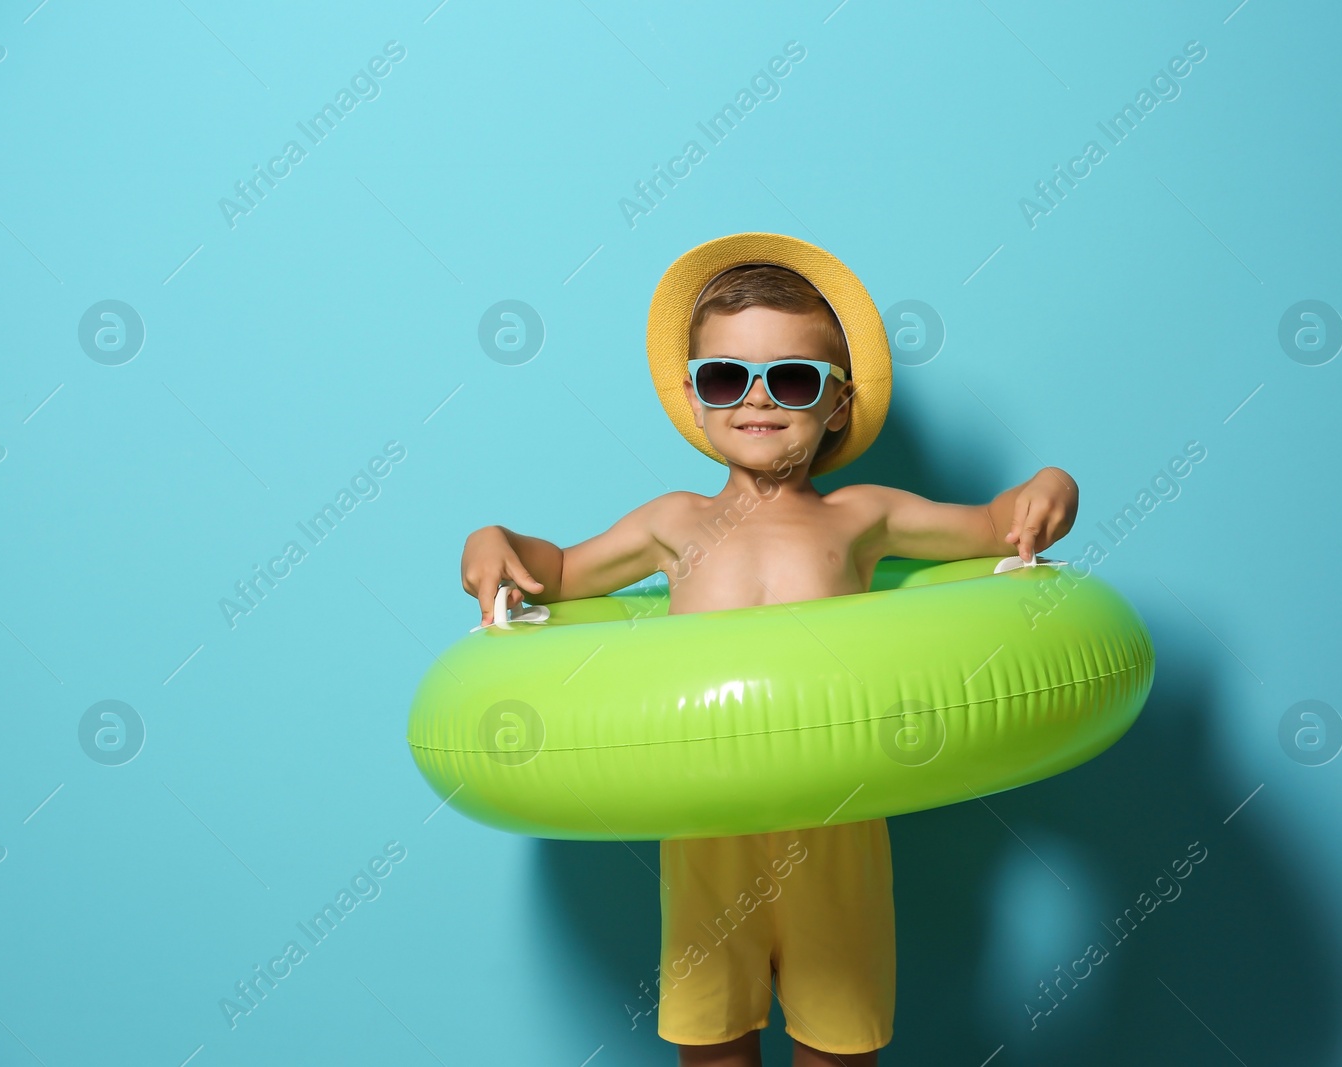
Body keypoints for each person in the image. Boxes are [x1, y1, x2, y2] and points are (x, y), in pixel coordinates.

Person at [460, 233, 1079, 1065]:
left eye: (791, 379)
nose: (758, 400)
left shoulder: (863, 517)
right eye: (726, 378)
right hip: (706, 820)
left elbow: (993, 525)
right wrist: (493, 538)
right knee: (713, 1041)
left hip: (836, 817)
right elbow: (564, 570)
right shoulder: (673, 523)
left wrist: (1049, 488)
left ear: (837, 402)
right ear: (694, 395)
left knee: (839, 1042)